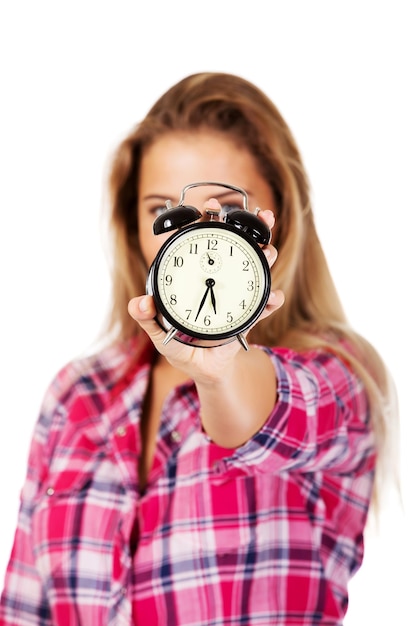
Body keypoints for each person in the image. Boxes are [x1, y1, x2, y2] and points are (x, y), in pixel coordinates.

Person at [0, 72, 396, 626]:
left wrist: (218, 369)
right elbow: (23, 608)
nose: (199, 240)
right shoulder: (78, 396)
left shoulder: (340, 376)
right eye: (167, 212)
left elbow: (275, 413)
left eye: (229, 213)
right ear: (133, 225)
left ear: (273, 221)